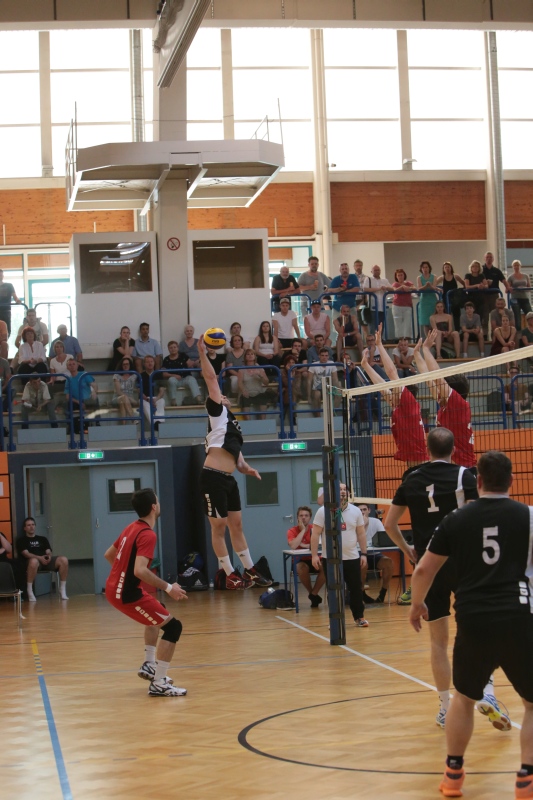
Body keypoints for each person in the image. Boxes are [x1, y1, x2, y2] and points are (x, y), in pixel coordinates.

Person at [409, 451, 528, 798]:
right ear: (511, 480)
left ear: (479, 481)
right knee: (532, 703)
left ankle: (453, 774)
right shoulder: (528, 516)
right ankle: (526, 779)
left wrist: (417, 604)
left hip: (474, 618)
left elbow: (423, 569)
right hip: (519, 616)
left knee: (462, 699)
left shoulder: (456, 519)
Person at [385, 427, 484, 728]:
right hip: (462, 563)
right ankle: (484, 693)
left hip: (429, 564)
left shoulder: (411, 479)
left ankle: (445, 707)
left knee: (438, 641)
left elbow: (389, 523)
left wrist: (407, 549)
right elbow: (478, 517)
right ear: (454, 450)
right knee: (474, 631)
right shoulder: (465, 476)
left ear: (426, 450)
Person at [198, 334, 272, 590]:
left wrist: (246, 468)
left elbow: (238, 460)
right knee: (218, 527)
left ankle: (250, 569)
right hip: (212, 477)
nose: (223, 397)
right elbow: (210, 378)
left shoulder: (232, 424)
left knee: (236, 525)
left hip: (228, 479)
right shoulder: (217, 413)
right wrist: (203, 353)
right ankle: (229, 573)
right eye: (219, 396)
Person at [104, 488, 188, 697]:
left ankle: (150, 664)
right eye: (157, 501)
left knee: (158, 611)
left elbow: (109, 554)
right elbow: (140, 570)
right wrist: (169, 588)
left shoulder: (131, 527)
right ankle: (159, 683)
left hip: (116, 588)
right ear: (153, 507)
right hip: (126, 594)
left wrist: (122, 576)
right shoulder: (147, 534)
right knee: (173, 627)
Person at [361, 325, 427, 467]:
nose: (391, 393)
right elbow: (382, 387)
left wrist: (379, 345)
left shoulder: (409, 403)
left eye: (396, 390)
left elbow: (392, 373)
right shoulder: (398, 406)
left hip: (420, 463)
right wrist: (365, 365)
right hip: (412, 461)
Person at [414, 330, 477, 469]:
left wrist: (426, 349)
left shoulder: (458, 404)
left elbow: (437, 378)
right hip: (450, 467)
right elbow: (428, 378)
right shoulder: (446, 404)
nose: (439, 388)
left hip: (464, 468)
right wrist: (417, 353)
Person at [311, 483, 369, 628]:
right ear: (333, 492)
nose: (343, 492)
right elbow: (315, 534)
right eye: (340, 489)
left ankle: (359, 617)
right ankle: (335, 620)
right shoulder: (323, 511)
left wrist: (363, 554)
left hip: (352, 557)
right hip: (331, 559)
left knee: (356, 589)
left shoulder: (355, 511)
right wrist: (314, 555)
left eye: (345, 489)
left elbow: (361, 533)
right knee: (334, 590)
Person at [17, 516, 68, 602]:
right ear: (25, 528)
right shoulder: (22, 540)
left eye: (33, 524)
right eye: (29, 525)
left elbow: (48, 551)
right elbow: (26, 554)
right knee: (34, 561)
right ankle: (29, 590)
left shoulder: (42, 539)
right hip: (33, 562)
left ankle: (62, 589)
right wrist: (39, 558)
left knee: (64, 559)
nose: (31, 527)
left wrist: (49, 556)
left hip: (45, 560)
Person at [286, 506, 326, 607]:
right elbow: (293, 545)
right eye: (301, 516)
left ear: (310, 518)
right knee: (301, 568)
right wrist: (303, 530)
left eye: (306, 515)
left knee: (327, 567)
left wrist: (304, 545)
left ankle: (314, 594)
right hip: (300, 560)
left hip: (315, 558)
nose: (303, 518)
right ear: (297, 518)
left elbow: (320, 544)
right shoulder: (292, 531)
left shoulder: (315, 529)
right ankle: (312, 593)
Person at [357, 503, 393, 605]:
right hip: (358, 554)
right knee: (363, 564)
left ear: (369, 510)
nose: (362, 512)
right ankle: (362, 593)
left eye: (364, 509)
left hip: (374, 554)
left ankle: (382, 594)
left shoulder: (376, 522)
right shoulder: (352, 523)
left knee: (388, 562)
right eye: (360, 510)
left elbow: (382, 537)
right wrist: (362, 526)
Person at [58, 357, 98, 434]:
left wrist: (94, 392)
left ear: (77, 365)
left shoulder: (84, 375)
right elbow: (67, 397)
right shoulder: (68, 380)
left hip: (87, 400)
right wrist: (78, 402)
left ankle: (96, 423)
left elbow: (94, 385)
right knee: (66, 405)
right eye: (70, 365)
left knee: (95, 400)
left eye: (73, 364)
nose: (72, 366)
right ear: (67, 367)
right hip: (76, 401)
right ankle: (71, 427)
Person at [162, 340, 202, 406]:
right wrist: (174, 375)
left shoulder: (183, 356)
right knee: (171, 380)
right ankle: (173, 401)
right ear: (168, 349)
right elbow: (164, 374)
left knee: (192, 379)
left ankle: (198, 399)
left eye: (174, 347)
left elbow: (190, 364)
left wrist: (199, 360)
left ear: (178, 348)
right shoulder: (166, 359)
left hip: (185, 378)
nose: (173, 349)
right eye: (171, 348)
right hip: (174, 380)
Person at [238, 349, 270, 420]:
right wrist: (243, 390)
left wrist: (260, 375)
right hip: (247, 393)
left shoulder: (260, 368)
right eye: (248, 354)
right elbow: (239, 383)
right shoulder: (241, 369)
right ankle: (249, 423)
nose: (250, 356)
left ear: (255, 356)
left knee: (263, 398)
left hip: (258, 392)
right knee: (244, 399)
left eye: (252, 354)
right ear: (245, 357)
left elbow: (266, 382)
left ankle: (263, 422)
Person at [309, 347, 340, 417]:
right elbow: (309, 381)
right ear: (319, 356)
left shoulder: (331, 363)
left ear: (328, 357)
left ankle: (332, 415)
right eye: (322, 355)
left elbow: (335, 379)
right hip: (317, 389)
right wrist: (309, 397)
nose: (324, 357)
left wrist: (337, 389)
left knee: (339, 392)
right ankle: (318, 416)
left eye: (326, 356)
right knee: (317, 394)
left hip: (328, 388)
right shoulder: (313, 365)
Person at [482, 250, 510, 325]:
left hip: (494, 295)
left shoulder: (497, 270)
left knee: (496, 314)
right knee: (485, 315)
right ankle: (485, 331)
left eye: (490, 257)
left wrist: (508, 287)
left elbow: (503, 280)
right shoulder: (481, 270)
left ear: (493, 259)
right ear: (484, 258)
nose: (489, 258)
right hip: (483, 295)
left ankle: (497, 330)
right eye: (487, 257)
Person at [436, 261, 465, 332]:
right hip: (446, 299)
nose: (447, 268)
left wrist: (462, 291)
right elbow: (434, 284)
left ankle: (457, 331)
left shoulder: (455, 276)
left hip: (455, 299)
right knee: (446, 315)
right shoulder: (442, 277)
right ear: (443, 269)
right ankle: (446, 332)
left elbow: (464, 283)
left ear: (451, 268)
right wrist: (438, 289)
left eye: (448, 267)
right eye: (445, 267)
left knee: (456, 316)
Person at [363, 264, 393, 329]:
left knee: (381, 326)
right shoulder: (368, 279)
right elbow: (365, 289)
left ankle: (380, 336)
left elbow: (392, 289)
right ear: (371, 271)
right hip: (372, 307)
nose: (377, 271)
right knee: (373, 326)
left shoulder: (384, 280)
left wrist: (386, 287)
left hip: (382, 307)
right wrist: (378, 289)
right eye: (375, 270)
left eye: (378, 270)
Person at [140, 355, 165, 429]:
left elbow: (162, 390)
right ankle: (155, 424)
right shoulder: (140, 376)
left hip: (156, 398)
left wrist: (156, 399)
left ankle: (159, 422)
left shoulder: (158, 374)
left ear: (154, 363)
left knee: (162, 401)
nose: (150, 363)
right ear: (144, 364)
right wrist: (148, 399)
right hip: (145, 398)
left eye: (151, 361)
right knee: (143, 403)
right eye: (147, 362)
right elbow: (139, 391)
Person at [112, 356, 139, 422]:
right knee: (123, 398)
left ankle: (124, 426)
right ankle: (133, 419)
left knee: (122, 403)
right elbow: (118, 391)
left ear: (130, 365)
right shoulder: (116, 376)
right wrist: (129, 398)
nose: (125, 366)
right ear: (121, 366)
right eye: (124, 364)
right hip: (117, 398)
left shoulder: (134, 375)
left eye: (127, 364)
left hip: (128, 400)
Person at [508, 258, 532, 330]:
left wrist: (524, 288)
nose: (516, 267)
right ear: (513, 267)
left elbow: (529, 288)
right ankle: (518, 333)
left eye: (517, 265)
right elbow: (508, 288)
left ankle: (531, 331)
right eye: (515, 265)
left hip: (524, 298)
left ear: (520, 266)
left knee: (530, 315)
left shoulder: (525, 276)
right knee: (517, 317)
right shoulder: (511, 277)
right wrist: (514, 288)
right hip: (515, 298)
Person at [417, 261, 439, 337]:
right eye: (423, 267)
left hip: (432, 300)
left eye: (426, 267)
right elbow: (419, 288)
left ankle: (434, 338)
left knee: (433, 320)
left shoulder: (434, 276)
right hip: (424, 300)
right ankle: (428, 338)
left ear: (429, 268)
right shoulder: (419, 278)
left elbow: (434, 287)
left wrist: (430, 285)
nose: (425, 269)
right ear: (421, 269)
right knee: (425, 321)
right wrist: (426, 286)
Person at [391, 269, 415, 340]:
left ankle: (407, 339)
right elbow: (394, 289)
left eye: (401, 275)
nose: (400, 277)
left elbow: (414, 288)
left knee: (407, 323)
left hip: (407, 306)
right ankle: (400, 339)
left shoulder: (409, 283)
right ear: (396, 277)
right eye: (398, 275)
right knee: (398, 323)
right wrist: (402, 287)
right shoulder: (395, 284)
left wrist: (408, 288)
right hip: (397, 306)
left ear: (404, 275)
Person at [0, 268, 21, 337]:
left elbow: (15, 297)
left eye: (1, 275)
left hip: (6, 311)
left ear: (3, 276)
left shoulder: (9, 285)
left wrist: (17, 300)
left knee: (7, 330)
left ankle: (4, 341)